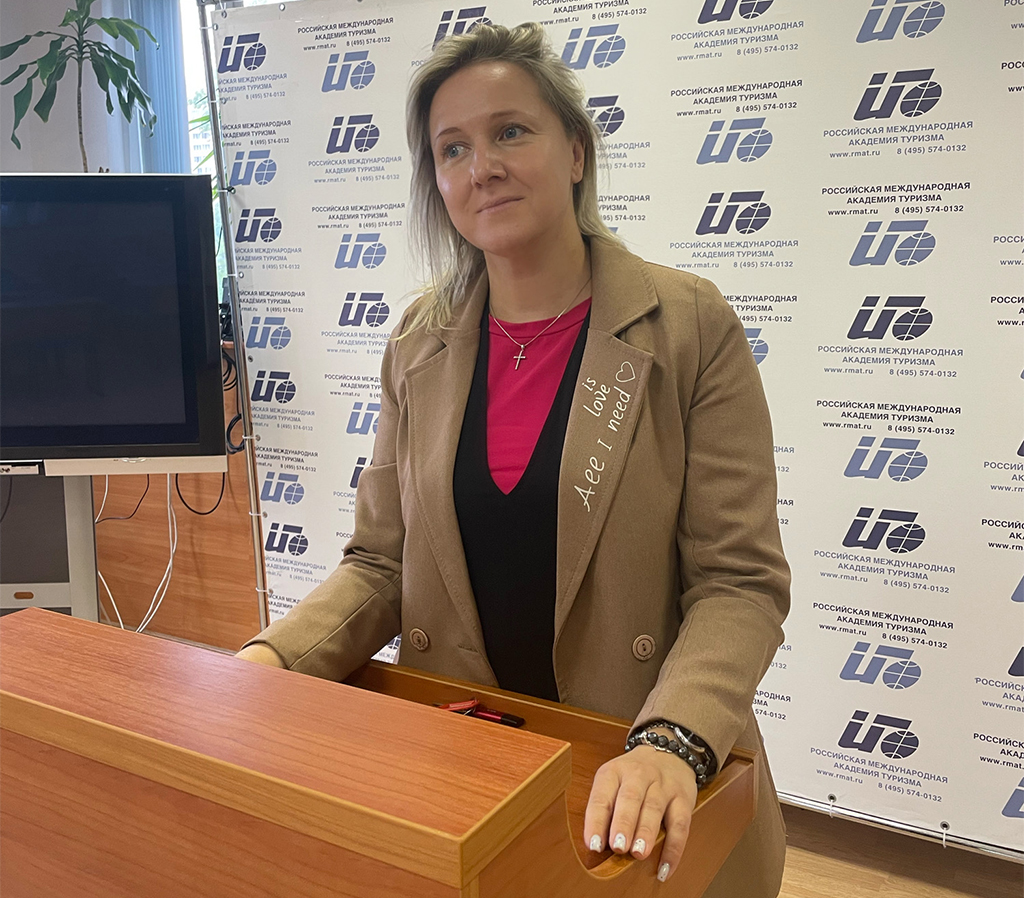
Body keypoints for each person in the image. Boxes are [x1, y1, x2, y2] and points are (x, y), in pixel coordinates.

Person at [237, 22, 790, 896]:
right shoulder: (417, 341)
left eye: (510, 132)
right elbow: (380, 565)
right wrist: (267, 665)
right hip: (467, 777)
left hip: (637, 779)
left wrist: (672, 741)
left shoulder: (689, 325)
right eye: (452, 149)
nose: (482, 166)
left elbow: (739, 583)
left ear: (575, 151)